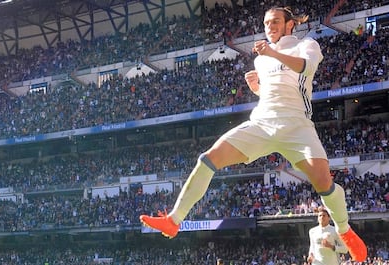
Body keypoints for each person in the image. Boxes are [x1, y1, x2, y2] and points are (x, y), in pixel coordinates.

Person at [140, 6, 367, 262]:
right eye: (266, 23)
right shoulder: (261, 59)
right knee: (208, 158)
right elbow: (276, 94)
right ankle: (173, 219)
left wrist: (272, 52)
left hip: (296, 126)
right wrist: (258, 88)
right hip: (262, 123)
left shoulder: (307, 45)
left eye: (275, 22)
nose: (269, 27)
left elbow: (304, 68)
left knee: (323, 183)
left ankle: (345, 230)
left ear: (289, 24)